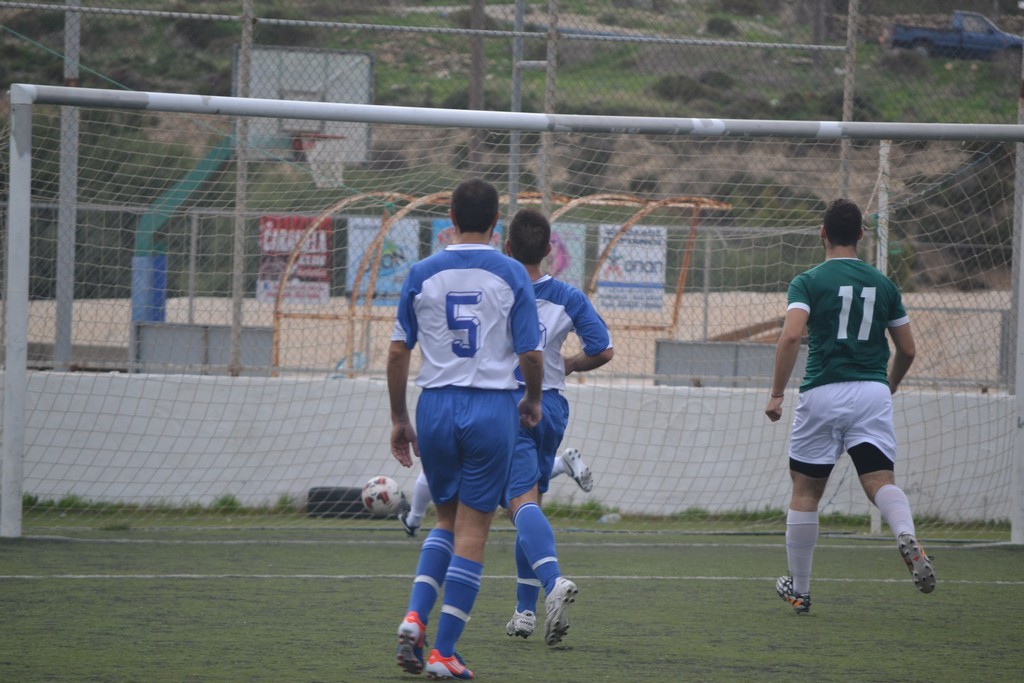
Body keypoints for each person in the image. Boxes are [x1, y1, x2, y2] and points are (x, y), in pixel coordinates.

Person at [388, 178, 543, 680]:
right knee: (474, 529)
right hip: (490, 408)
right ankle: (444, 653)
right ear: (497, 223)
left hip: (434, 405)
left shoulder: (421, 273)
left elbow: (398, 351)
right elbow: (530, 353)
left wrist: (399, 418)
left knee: (445, 520)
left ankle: (415, 618)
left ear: (450, 218)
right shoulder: (511, 272)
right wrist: (533, 398)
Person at [764, 198, 936, 615]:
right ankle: (905, 532)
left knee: (806, 489)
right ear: (861, 234)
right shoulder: (884, 284)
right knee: (879, 480)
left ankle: (800, 590)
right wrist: (889, 386)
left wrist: (777, 393)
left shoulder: (807, 281)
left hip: (823, 390)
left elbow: (791, 336)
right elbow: (908, 350)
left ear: (822, 233)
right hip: (871, 392)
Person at [501, 206, 614, 646]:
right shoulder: (567, 295)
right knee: (530, 504)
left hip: (511, 404)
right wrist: (569, 363)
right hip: (552, 407)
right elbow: (603, 349)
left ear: (507, 247)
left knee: (519, 504)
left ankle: (553, 583)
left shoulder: (496, 289)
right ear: (549, 249)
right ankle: (524, 612)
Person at [398, 446, 594, 538]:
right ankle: (559, 465)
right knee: (512, 473)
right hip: (537, 402)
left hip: (463, 401)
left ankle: (414, 520)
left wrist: (401, 418)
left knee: (435, 466)